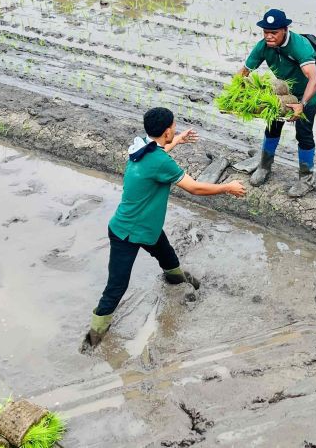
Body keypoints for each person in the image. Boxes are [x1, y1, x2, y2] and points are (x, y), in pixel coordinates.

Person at [87, 107, 246, 347]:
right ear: (166, 130)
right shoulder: (159, 160)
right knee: (116, 287)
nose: (176, 129)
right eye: (174, 127)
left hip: (147, 227)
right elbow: (195, 188)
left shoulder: (142, 146)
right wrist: (228, 187)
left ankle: (177, 282)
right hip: (128, 233)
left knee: (169, 258)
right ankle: (92, 338)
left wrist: (179, 141)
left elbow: (159, 155)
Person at [232, 9, 316, 196]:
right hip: (284, 91)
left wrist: (302, 104)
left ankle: (306, 179)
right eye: (266, 32)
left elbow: (313, 80)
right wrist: (234, 95)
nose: (269, 36)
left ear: (284, 29)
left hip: (310, 93)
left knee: (304, 133)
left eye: (273, 32)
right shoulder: (263, 46)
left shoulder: (299, 46)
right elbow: (244, 72)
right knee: (272, 125)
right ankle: (264, 167)